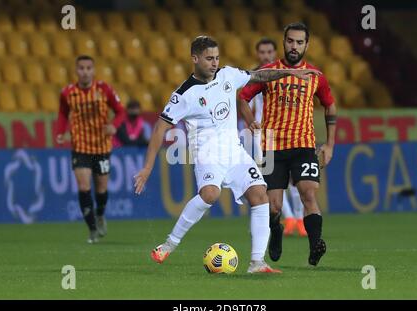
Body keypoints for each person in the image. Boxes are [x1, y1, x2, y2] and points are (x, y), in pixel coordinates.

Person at [133, 36, 320, 273]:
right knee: (210, 194)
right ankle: (169, 245)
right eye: (209, 58)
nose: (214, 63)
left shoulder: (227, 75)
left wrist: (289, 74)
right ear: (195, 59)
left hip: (235, 151)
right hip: (207, 154)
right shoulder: (184, 94)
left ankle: (256, 263)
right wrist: (148, 167)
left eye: (217, 58)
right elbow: (161, 127)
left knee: (259, 194)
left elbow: (258, 75)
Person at [239, 23, 337, 266]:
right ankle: (277, 231)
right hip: (272, 148)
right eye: (290, 41)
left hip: (304, 145)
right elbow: (242, 97)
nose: (294, 46)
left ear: (307, 45)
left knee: (308, 193)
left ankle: (315, 246)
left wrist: (330, 144)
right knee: (273, 206)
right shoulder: (268, 72)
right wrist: (251, 121)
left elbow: (330, 105)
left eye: (299, 42)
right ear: (284, 42)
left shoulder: (316, 76)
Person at [56, 55, 125, 243]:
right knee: (84, 187)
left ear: (93, 71)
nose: (85, 71)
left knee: (101, 189)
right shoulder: (68, 92)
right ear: (76, 71)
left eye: (88, 68)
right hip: (80, 147)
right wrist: (61, 132)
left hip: (102, 146)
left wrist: (114, 126)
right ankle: (92, 229)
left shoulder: (104, 89)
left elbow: (120, 111)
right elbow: (63, 113)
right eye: (81, 68)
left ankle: (100, 214)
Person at [250, 38, 307, 237]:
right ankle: (290, 218)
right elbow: (247, 105)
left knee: (293, 178)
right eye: (262, 52)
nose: (265, 55)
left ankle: (299, 219)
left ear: (275, 53)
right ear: (258, 54)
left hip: (286, 132)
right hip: (262, 135)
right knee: (273, 179)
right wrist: (250, 122)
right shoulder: (256, 77)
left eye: (269, 52)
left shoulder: (284, 74)